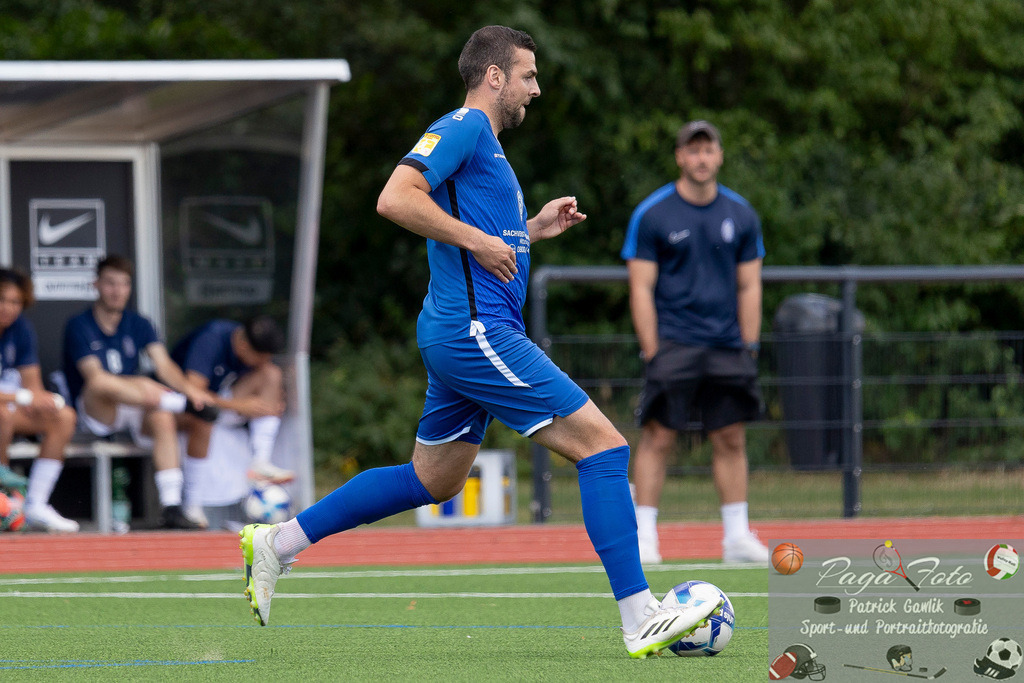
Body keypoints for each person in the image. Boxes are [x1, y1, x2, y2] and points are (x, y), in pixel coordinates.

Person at [239, 25, 722, 659]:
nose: (536, 89)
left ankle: (278, 543)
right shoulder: (464, 127)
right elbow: (394, 198)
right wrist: (478, 240)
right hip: (477, 335)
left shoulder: (486, 145)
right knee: (604, 449)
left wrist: (530, 231)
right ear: (494, 76)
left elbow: (483, 238)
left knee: (433, 480)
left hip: (462, 333)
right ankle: (639, 619)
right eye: (528, 75)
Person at [621, 120, 769, 565]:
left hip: (726, 346)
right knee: (658, 437)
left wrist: (749, 345)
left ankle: (737, 536)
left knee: (730, 438)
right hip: (674, 344)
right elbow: (641, 287)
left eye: (709, 150)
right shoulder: (653, 214)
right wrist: (653, 348)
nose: (701, 158)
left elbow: (750, 286)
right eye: (693, 150)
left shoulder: (741, 214)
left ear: (719, 156)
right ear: (680, 157)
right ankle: (644, 537)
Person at [63, 255, 215, 530]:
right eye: (110, 283)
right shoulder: (79, 325)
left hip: (138, 405)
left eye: (124, 284)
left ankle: (171, 507)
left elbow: (165, 366)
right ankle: (174, 401)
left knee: (162, 416)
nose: (117, 291)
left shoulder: (139, 323)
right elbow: (95, 378)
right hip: (98, 411)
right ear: (96, 284)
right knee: (102, 384)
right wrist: (144, 387)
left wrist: (192, 391)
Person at [171, 315, 290, 527]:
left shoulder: (248, 342)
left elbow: (261, 375)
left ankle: (260, 462)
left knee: (271, 374)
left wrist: (272, 404)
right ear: (243, 346)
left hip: (220, 403)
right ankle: (192, 503)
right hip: (181, 406)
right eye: (260, 357)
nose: (264, 362)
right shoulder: (211, 340)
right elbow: (194, 394)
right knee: (204, 417)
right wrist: (239, 406)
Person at [0, 268, 79, 532]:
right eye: (2, 299)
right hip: (3, 413)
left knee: (64, 416)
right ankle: (5, 494)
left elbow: (32, 385)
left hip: (11, 411)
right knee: (2, 414)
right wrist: (22, 396)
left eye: (15, 302)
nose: (8, 308)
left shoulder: (20, 328)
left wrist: (45, 400)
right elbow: (22, 395)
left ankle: (36, 504)